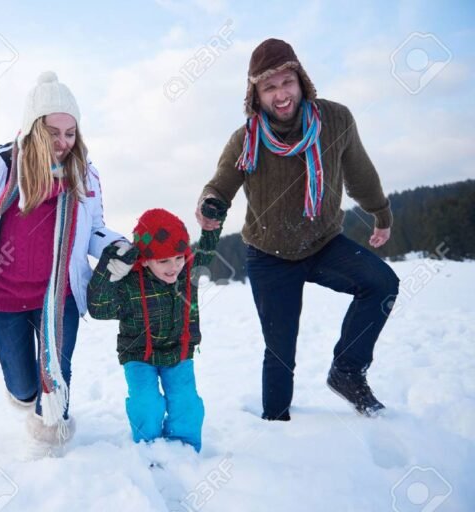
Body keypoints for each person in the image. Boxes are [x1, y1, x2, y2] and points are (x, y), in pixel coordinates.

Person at [195, 39, 400, 421]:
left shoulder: (336, 121)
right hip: (268, 255)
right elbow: (222, 183)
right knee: (279, 352)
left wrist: (381, 214)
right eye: (269, 87)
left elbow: (359, 174)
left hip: (323, 242)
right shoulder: (247, 139)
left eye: (286, 82)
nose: (281, 94)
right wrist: (211, 203)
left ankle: (348, 371)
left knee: (382, 284)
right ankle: (276, 423)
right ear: (255, 95)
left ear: (301, 81)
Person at [0, 71, 124, 453]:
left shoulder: (84, 174)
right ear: (32, 129)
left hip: (59, 297)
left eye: (71, 133)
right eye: (53, 132)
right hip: (4, 297)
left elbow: (94, 230)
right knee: (24, 388)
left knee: (56, 377)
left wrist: (120, 246)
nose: (63, 143)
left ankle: (52, 455)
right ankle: (29, 399)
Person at [87, 207, 226, 452]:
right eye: (163, 261)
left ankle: (184, 447)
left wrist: (212, 225)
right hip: (139, 355)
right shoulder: (129, 282)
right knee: (146, 404)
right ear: (145, 259)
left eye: (179, 258)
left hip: (178, 351)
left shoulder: (187, 273)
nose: (174, 267)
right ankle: (148, 446)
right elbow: (99, 309)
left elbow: (205, 250)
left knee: (186, 403)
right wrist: (106, 270)